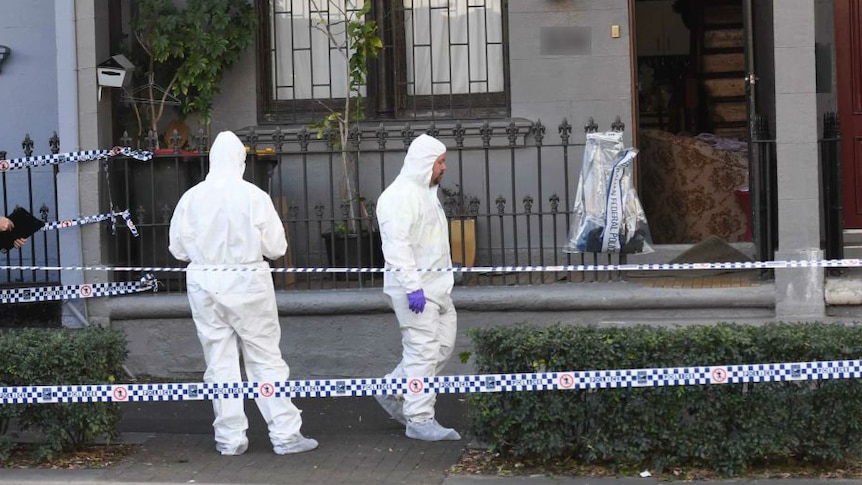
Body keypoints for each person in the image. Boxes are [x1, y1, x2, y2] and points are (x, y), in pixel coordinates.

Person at [168, 131, 318, 456]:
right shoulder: (254, 196)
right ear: (241, 160)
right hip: (248, 281)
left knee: (219, 362)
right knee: (264, 358)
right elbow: (276, 248)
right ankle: (286, 434)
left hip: (205, 283)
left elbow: (178, 249)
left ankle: (230, 438)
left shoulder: (191, 198)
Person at [374, 134, 461, 442]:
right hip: (416, 291)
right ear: (425, 163)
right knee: (423, 352)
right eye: (440, 162)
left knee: (441, 347)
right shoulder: (398, 197)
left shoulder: (425, 193)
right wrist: (413, 287)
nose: (444, 168)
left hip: (437, 288)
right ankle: (419, 418)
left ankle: (393, 391)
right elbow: (397, 247)